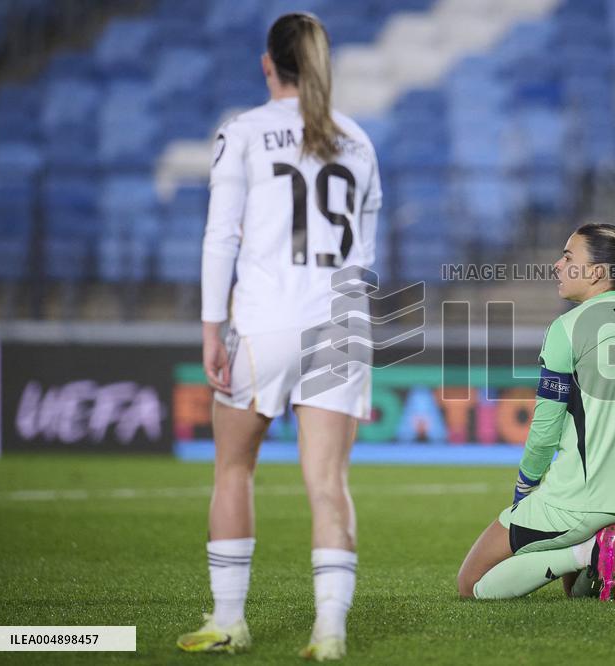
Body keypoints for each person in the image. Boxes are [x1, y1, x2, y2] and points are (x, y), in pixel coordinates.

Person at [176, 12, 382, 661]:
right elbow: (364, 266)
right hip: (340, 324)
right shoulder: (359, 142)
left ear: (268, 66)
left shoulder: (244, 131)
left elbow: (221, 237)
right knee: (329, 484)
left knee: (234, 469)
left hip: (264, 322)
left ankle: (230, 621)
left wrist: (212, 328)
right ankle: (330, 632)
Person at [457, 223, 615, 601]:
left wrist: (525, 487)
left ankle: (592, 549)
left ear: (596, 272)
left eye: (568, 257)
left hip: (584, 502)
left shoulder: (568, 328)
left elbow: (545, 429)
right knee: (577, 591)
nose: (556, 265)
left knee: (471, 583)